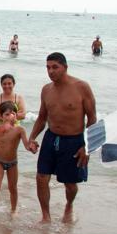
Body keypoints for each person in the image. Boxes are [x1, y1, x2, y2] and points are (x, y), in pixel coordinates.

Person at [27, 52, 96, 224]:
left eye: (55, 67)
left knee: (70, 184)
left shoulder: (81, 87)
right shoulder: (46, 90)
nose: (50, 71)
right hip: (51, 138)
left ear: (65, 67)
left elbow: (92, 119)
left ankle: (69, 206)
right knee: (41, 177)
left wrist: (87, 147)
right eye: (48, 67)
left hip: (73, 141)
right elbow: (42, 117)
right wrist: (32, 137)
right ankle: (45, 216)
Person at [0, 101, 29, 213]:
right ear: (1, 116)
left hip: (12, 163)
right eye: (7, 114)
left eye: (13, 114)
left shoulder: (20, 130)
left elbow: (27, 145)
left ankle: (13, 211)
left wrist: (32, 146)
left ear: (16, 116)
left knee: (13, 189)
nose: (10, 116)